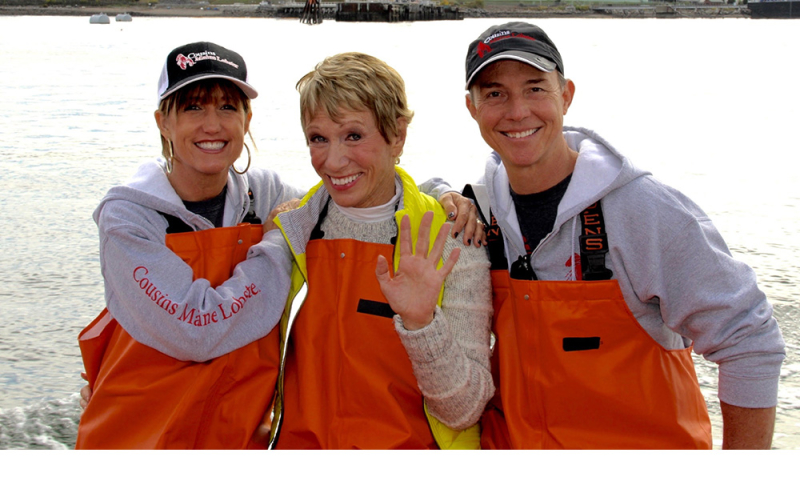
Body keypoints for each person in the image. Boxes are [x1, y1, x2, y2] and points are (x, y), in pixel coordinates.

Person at [76, 42, 479, 449]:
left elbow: (362, 193)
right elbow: (195, 330)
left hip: (232, 438)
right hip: (134, 433)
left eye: (228, 108)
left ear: (248, 119)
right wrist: (274, 242)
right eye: (193, 107)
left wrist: (442, 194)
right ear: (163, 121)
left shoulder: (263, 195)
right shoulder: (129, 216)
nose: (211, 125)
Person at [462, 22, 785, 449]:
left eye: (536, 88)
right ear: (472, 107)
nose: (517, 110)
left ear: (567, 95)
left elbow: (749, 337)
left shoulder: (643, 209)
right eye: (495, 93)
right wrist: (447, 194)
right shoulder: (479, 210)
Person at [269, 52, 494, 449]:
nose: (334, 161)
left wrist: (422, 322)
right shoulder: (290, 231)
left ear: (398, 135)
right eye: (318, 138)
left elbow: (464, 410)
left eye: (354, 136)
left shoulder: (452, 238)